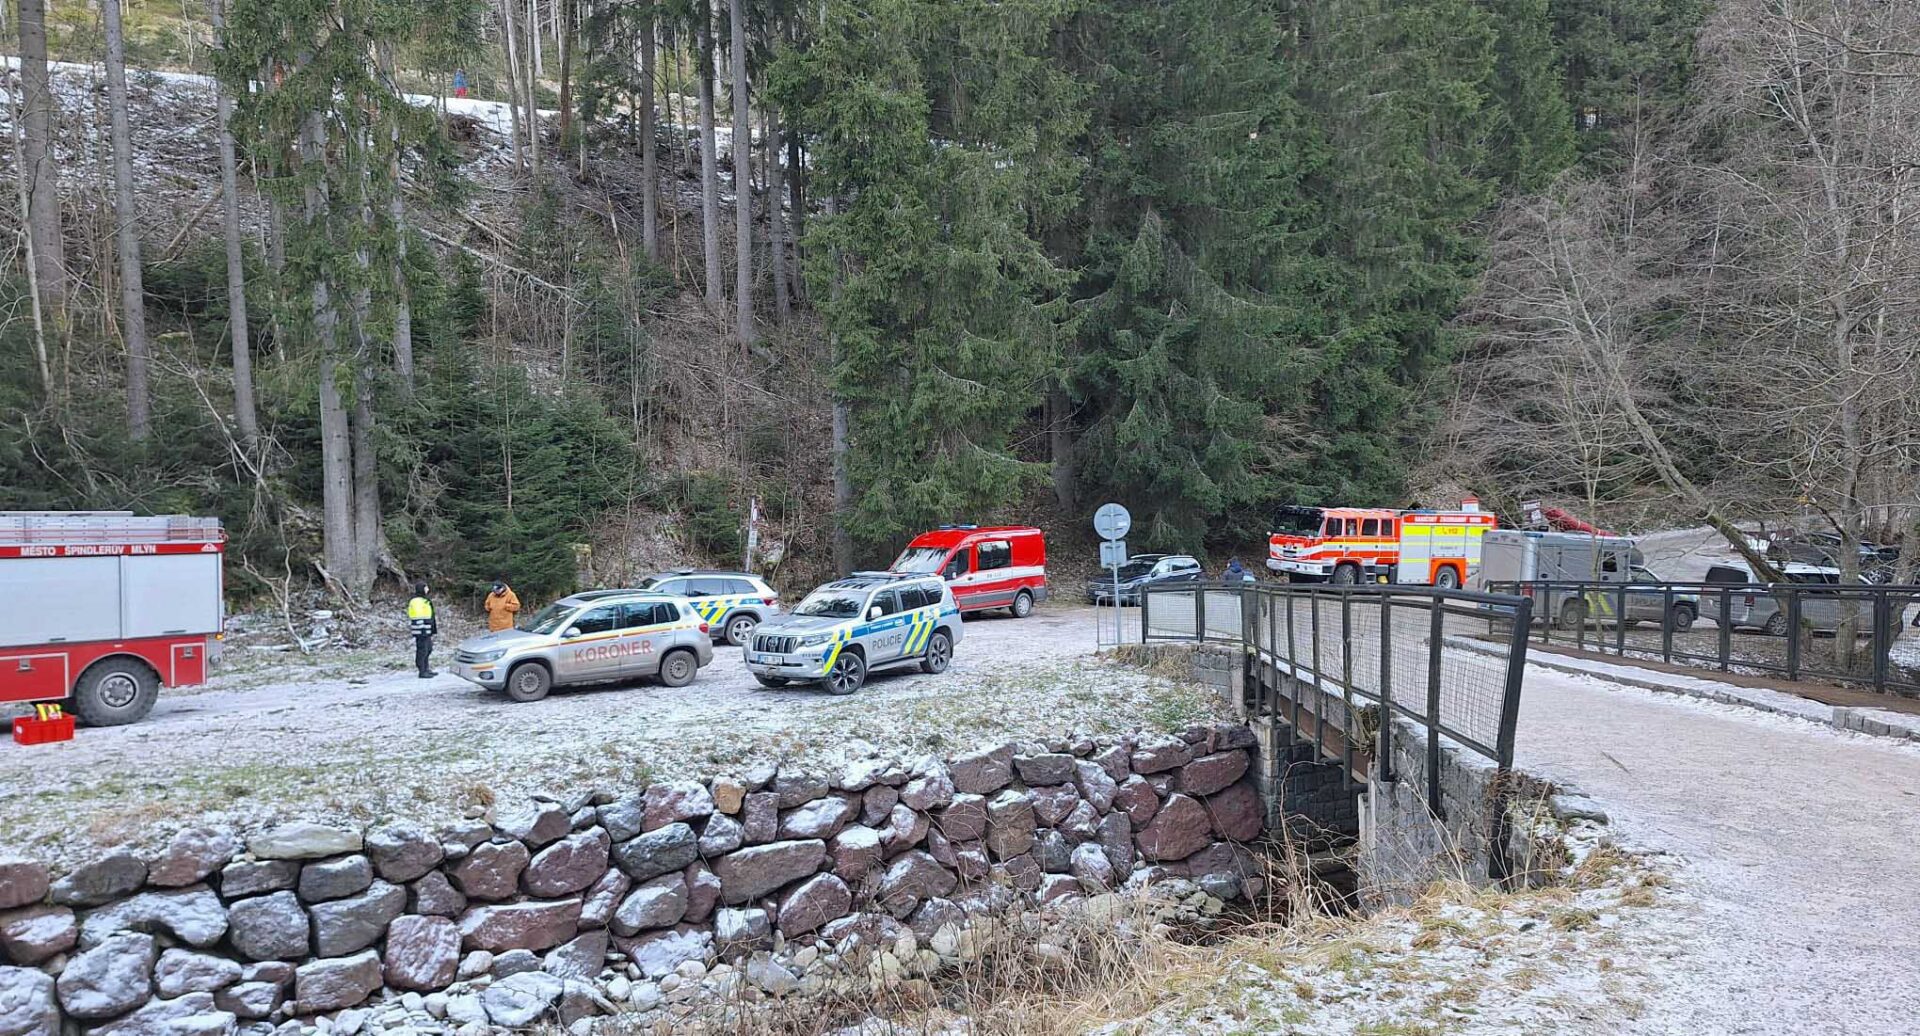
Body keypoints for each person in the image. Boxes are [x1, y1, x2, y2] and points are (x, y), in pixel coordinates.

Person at [407, 582, 438, 678]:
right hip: (421, 630)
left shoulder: (424, 600)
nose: (427, 589)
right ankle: (422, 671)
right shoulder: (416, 601)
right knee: (422, 650)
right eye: (426, 587)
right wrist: (424, 628)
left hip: (426, 629)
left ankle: (426, 668)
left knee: (428, 649)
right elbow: (418, 616)